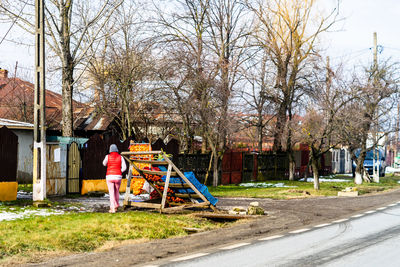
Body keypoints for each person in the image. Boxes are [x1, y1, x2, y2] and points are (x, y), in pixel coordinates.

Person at [103, 144, 127, 213]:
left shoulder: (107, 156)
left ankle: (112, 207)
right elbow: (124, 168)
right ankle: (116, 205)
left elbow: (104, 163)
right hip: (118, 177)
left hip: (109, 176)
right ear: (117, 150)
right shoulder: (121, 157)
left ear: (110, 150)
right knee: (116, 191)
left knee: (111, 192)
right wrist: (120, 171)